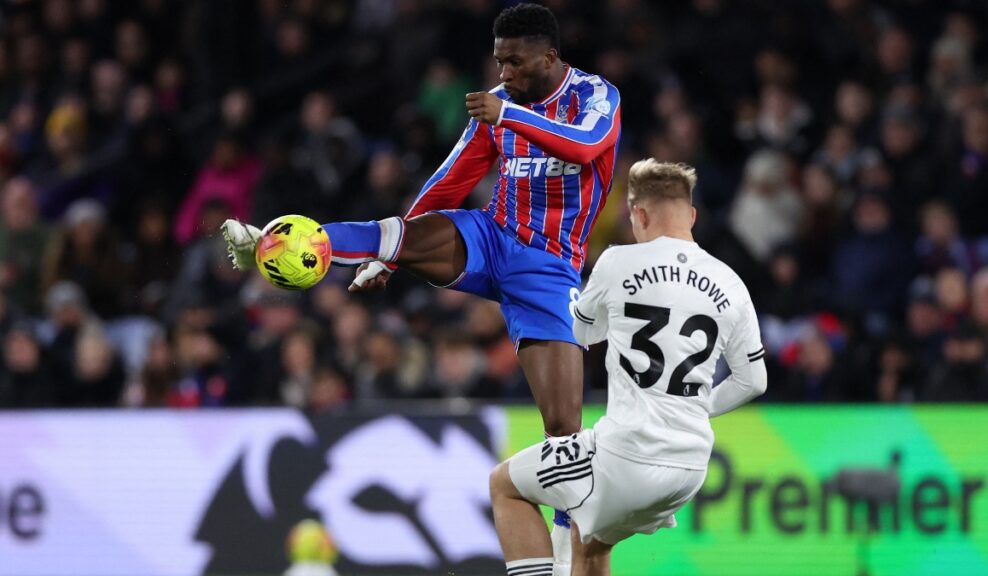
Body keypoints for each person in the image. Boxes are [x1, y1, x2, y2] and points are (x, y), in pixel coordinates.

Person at [222, 4, 620, 567]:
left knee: (563, 431)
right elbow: (453, 177)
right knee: (393, 233)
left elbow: (584, 145)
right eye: (498, 60)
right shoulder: (499, 104)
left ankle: (564, 556)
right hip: (492, 234)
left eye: (514, 61)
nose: (503, 72)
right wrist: (393, 256)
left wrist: (507, 117)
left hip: (549, 266)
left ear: (550, 57)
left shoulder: (595, 97)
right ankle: (271, 240)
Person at [489, 159, 767, 576]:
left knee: (504, 485)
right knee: (593, 544)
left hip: (628, 456)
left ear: (638, 214)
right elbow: (753, 381)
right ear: (691, 215)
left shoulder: (618, 262)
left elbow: (581, 335)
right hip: (690, 467)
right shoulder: (730, 281)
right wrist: (690, 408)